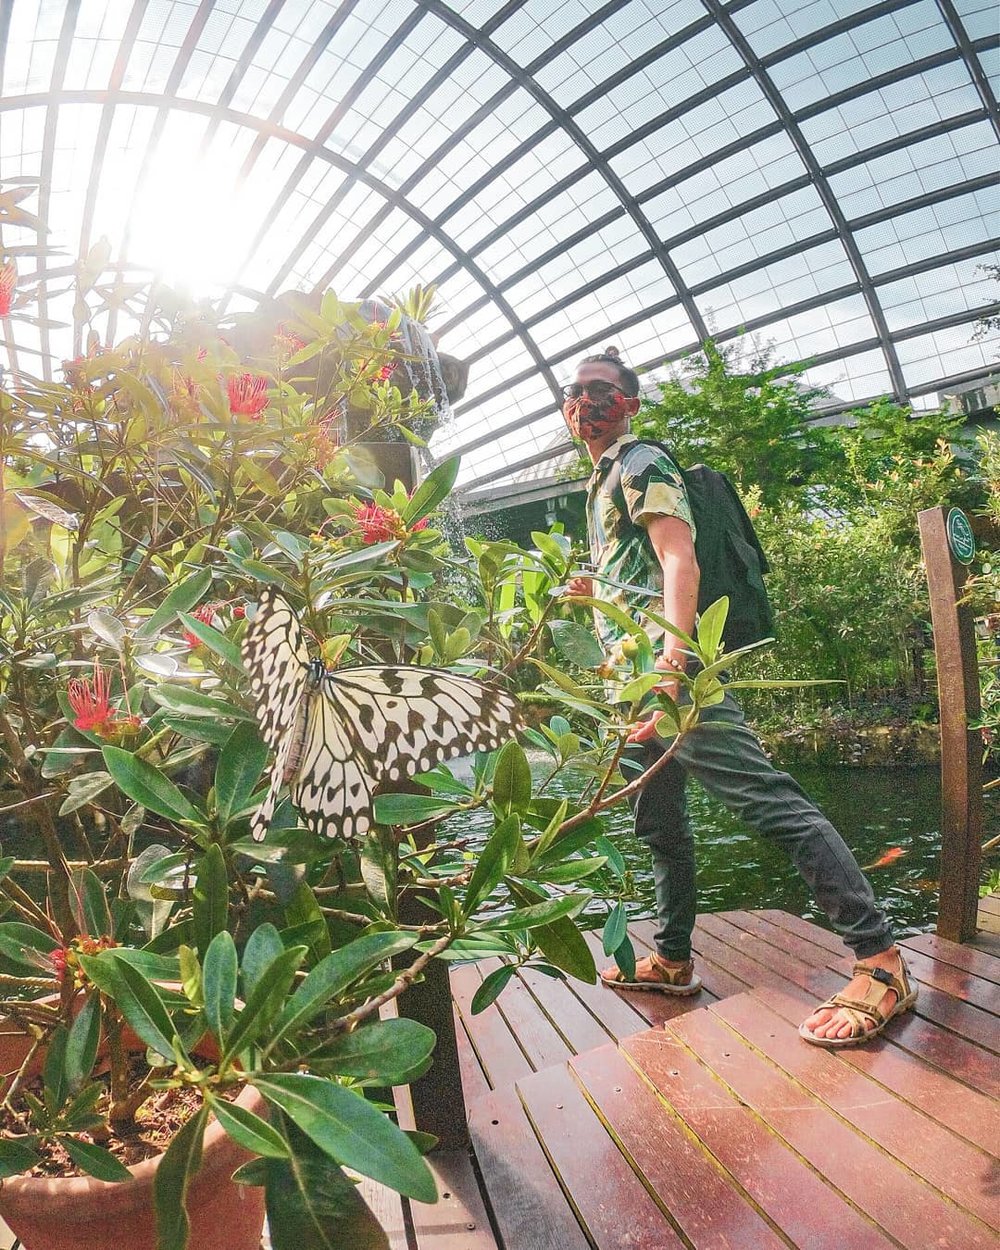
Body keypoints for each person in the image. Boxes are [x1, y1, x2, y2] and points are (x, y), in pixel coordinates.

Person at [563, 346, 917, 1047]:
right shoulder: (602, 482)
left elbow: (678, 558)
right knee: (660, 829)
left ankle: (880, 960)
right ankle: (671, 959)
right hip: (629, 684)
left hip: (670, 678)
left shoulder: (640, 462)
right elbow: (638, 571)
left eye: (600, 389)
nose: (583, 400)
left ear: (629, 404)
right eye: (573, 390)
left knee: (768, 802)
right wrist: (593, 590)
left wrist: (670, 670)